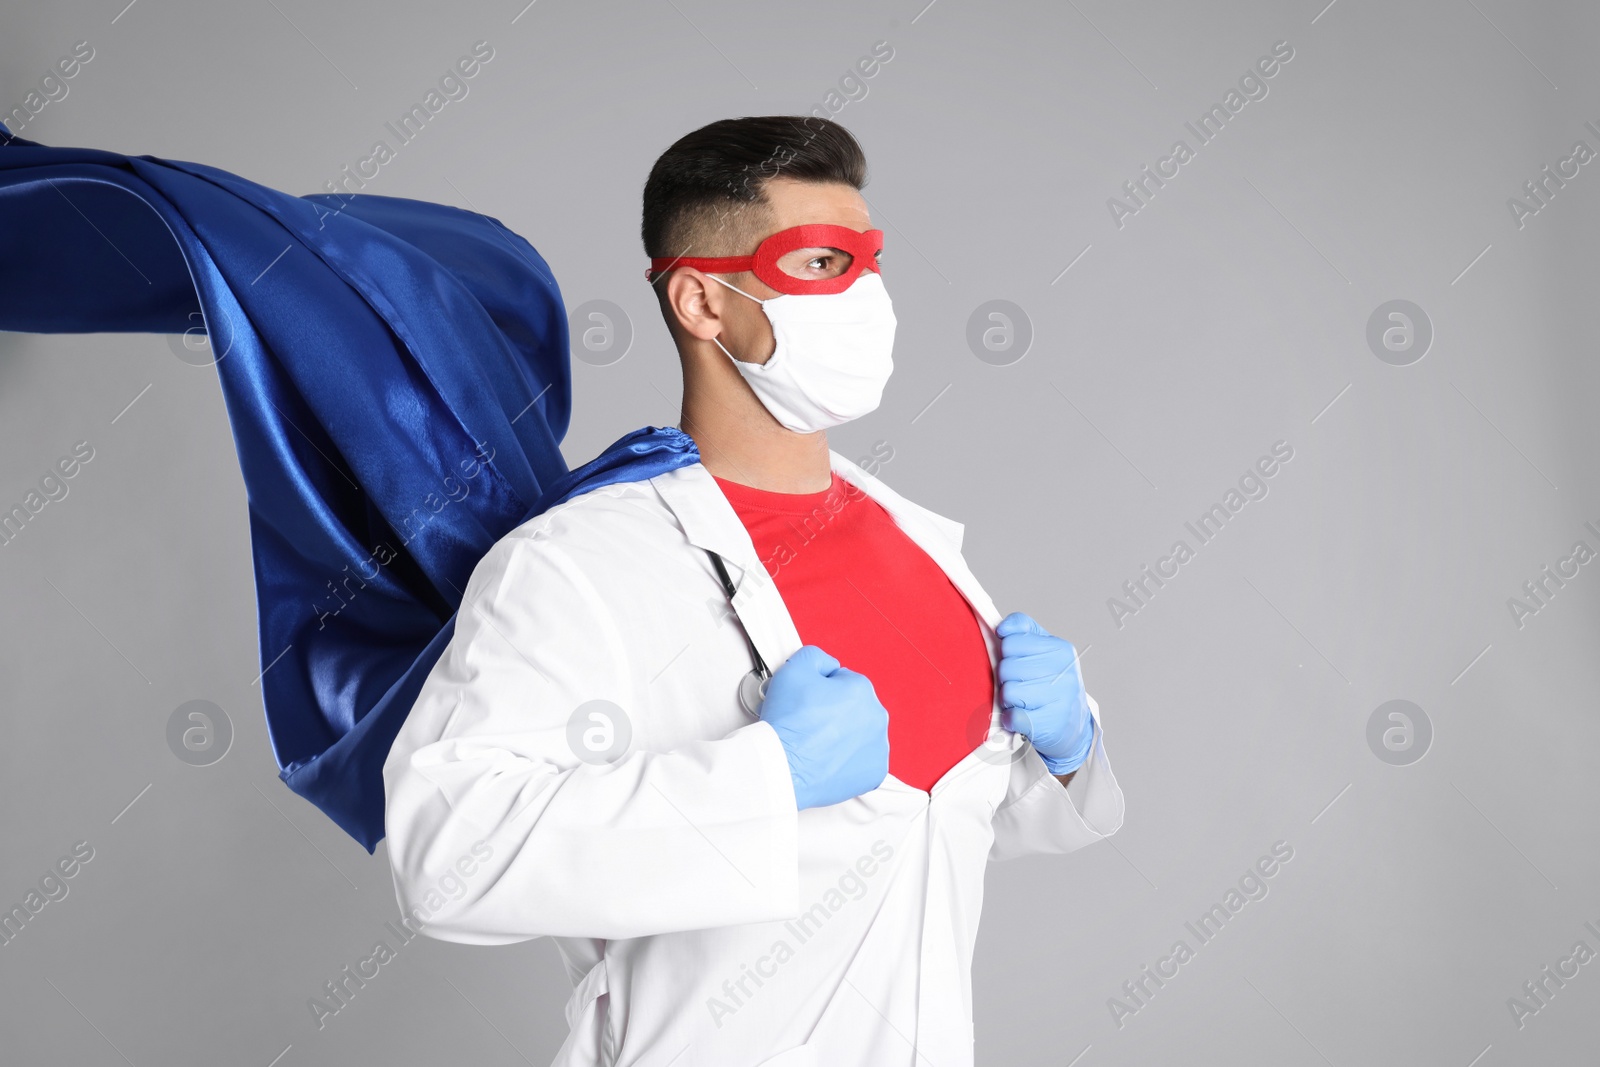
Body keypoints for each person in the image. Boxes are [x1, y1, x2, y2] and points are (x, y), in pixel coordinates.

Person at [381, 115, 1125, 1067]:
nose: (864, 293)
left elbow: (926, 833)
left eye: (870, 260)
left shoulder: (924, 546)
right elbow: (446, 861)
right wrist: (768, 779)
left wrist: (1069, 750)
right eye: (819, 263)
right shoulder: (577, 563)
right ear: (702, 301)